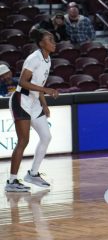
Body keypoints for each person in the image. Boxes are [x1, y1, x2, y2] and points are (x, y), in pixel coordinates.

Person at [6, 29, 59, 193]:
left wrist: (44, 104)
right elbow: (22, 82)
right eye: (49, 39)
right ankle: (12, 181)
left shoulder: (47, 58)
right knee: (23, 141)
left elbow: (38, 83)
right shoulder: (34, 58)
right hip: (21, 100)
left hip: (35, 102)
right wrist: (47, 90)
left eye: (53, 39)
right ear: (41, 43)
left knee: (46, 136)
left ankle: (33, 174)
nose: (53, 42)